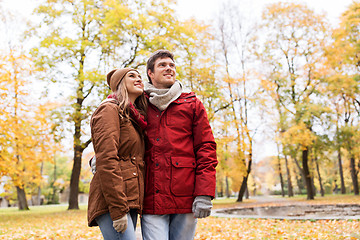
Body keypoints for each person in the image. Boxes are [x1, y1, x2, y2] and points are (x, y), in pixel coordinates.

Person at [141, 50, 218, 240]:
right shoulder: (139, 102)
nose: (169, 68)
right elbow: (117, 130)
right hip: (151, 197)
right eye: (162, 65)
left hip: (186, 196)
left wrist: (204, 193)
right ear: (150, 73)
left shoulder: (192, 103)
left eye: (171, 65)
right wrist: (99, 156)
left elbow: (206, 148)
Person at [87, 67, 147, 240]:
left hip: (130, 197)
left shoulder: (133, 117)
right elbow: (107, 159)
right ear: (120, 83)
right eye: (132, 76)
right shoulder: (108, 110)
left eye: (140, 76)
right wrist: (118, 209)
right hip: (112, 200)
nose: (138, 79)